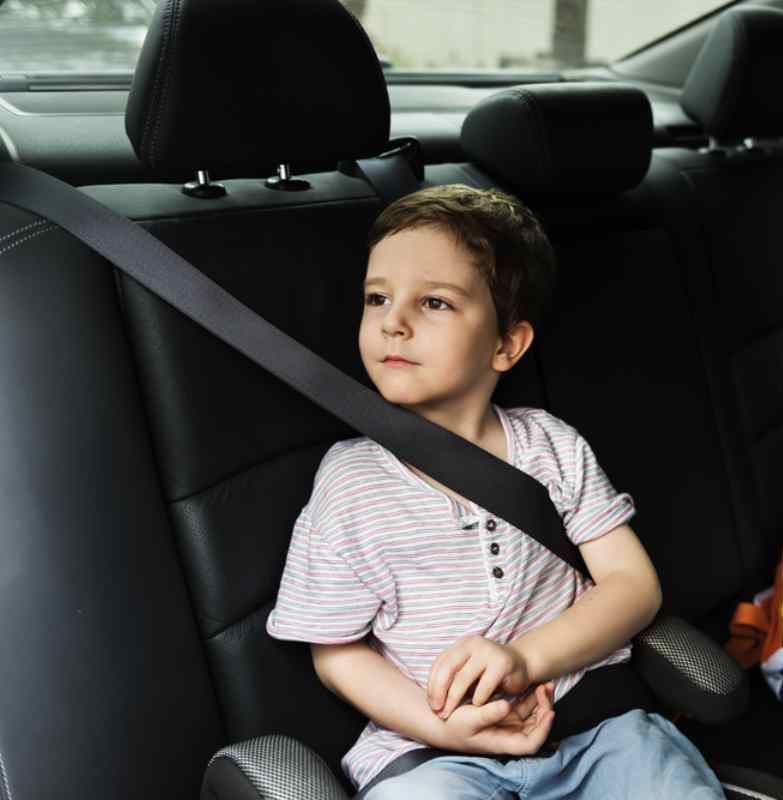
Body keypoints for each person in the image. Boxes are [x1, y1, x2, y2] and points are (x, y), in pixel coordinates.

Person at [266, 184, 726, 799]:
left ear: (507, 344)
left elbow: (633, 586)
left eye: (434, 303)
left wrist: (525, 661)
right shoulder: (351, 484)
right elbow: (337, 654)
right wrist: (448, 728)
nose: (393, 322)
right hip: (430, 752)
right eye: (377, 298)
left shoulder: (551, 447)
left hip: (594, 730)